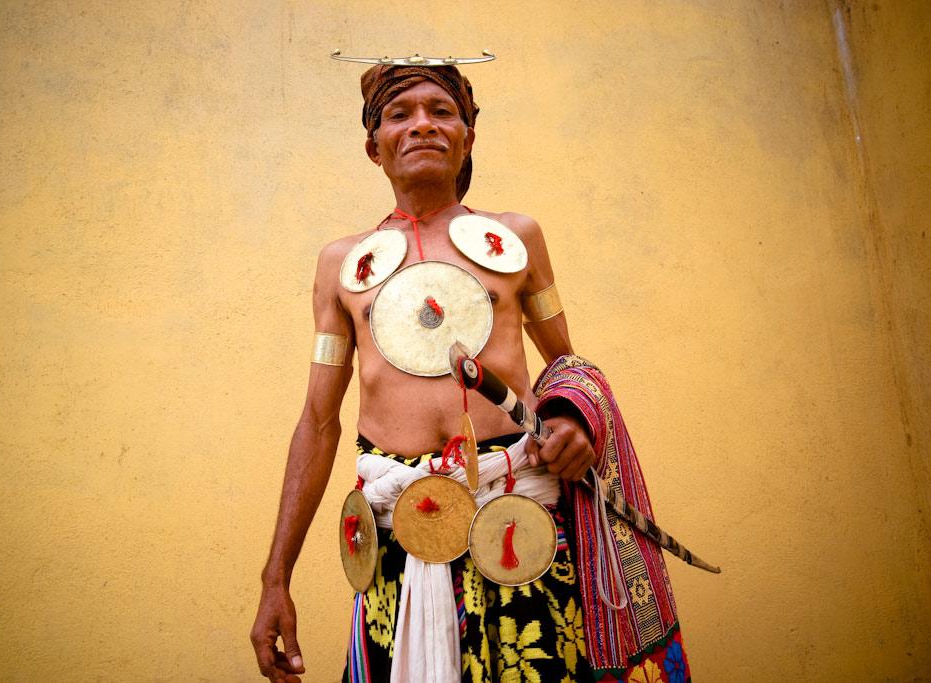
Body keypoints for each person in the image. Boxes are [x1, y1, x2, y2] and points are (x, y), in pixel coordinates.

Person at [251, 62, 691, 683]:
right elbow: (319, 423)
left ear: (468, 136)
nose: (422, 125)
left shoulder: (517, 237)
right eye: (399, 115)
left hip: (519, 523)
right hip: (396, 539)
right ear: (374, 147)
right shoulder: (340, 265)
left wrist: (571, 421)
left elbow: (567, 366)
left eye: (441, 111)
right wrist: (276, 578)